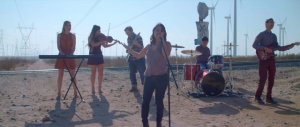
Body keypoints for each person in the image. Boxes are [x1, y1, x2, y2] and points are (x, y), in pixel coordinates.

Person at [121, 23, 172, 127]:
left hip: (162, 77)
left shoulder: (167, 44)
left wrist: (162, 42)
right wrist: (129, 49)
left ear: (164, 33)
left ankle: (159, 123)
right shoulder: (149, 46)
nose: (159, 32)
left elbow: (165, 54)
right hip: (148, 76)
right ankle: (145, 122)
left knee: (159, 101)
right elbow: (138, 55)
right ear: (153, 32)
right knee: (145, 101)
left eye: (161, 30)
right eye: (157, 30)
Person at [252, 18, 293, 104]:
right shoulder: (261, 35)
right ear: (266, 24)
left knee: (271, 79)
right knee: (262, 79)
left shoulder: (274, 36)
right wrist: (264, 48)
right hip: (263, 60)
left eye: (273, 23)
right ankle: (257, 97)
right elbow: (254, 45)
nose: (272, 24)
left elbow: (277, 47)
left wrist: (288, 47)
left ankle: (269, 97)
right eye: (271, 22)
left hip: (271, 60)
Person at [87, 25, 117, 94]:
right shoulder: (90, 37)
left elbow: (105, 46)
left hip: (99, 55)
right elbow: (93, 44)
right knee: (93, 72)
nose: (100, 32)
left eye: (100, 31)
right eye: (98, 31)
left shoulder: (101, 36)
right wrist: (101, 42)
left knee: (101, 72)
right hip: (92, 55)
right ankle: (93, 87)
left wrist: (112, 44)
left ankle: (99, 88)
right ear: (95, 30)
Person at [54, 21, 77, 100]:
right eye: (67, 25)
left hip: (70, 55)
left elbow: (74, 47)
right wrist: (62, 53)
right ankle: (59, 93)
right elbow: (59, 46)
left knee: (73, 74)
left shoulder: (73, 36)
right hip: (62, 55)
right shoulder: (60, 35)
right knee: (60, 74)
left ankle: (75, 92)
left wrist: (70, 54)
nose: (68, 26)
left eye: (69, 25)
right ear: (64, 26)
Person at [124, 26, 146, 92]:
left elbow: (142, 48)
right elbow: (131, 48)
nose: (127, 34)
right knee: (132, 73)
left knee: (142, 73)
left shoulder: (138, 38)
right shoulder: (128, 38)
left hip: (139, 58)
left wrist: (137, 44)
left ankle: (145, 86)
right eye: (126, 33)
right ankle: (134, 86)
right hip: (131, 58)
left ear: (131, 31)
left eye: (128, 32)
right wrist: (128, 50)